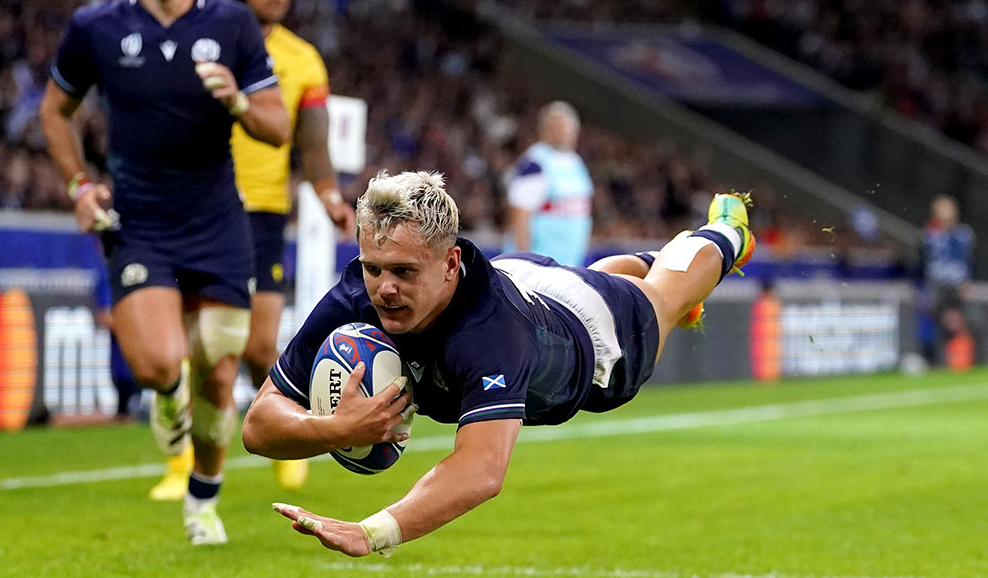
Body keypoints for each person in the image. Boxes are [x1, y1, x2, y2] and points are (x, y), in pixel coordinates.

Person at [242, 170, 754, 557]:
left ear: (450, 264)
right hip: (523, 278)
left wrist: (372, 532)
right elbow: (258, 425)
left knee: (663, 296)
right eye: (373, 268)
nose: (385, 288)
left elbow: (482, 470)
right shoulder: (357, 296)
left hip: (592, 338)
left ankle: (727, 233)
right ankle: (641, 266)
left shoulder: (488, 334)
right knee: (605, 276)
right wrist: (332, 428)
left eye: (402, 271)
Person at [39, 0, 290, 545]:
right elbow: (54, 110)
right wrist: (78, 184)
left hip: (218, 223)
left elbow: (276, 125)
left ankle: (203, 502)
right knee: (158, 364)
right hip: (139, 221)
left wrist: (236, 99)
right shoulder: (96, 26)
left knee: (219, 379)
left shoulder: (232, 24)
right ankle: (164, 393)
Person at [147, 0, 356, 500]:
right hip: (199, 209)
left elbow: (312, 146)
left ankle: (291, 438)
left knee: (262, 346)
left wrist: (331, 195)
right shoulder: (202, 40)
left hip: (264, 214)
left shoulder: (304, 59)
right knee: (198, 345)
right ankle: (180, 465)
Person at [504, 101, 593, 266]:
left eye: (566, 127)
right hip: (539, 265)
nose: (562, 132)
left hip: (568, 262)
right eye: (556, 127)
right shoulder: (536, 163)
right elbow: (519, 214)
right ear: (543, 130)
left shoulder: (576, 162)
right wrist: (523, 262)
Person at [918, 195, 976, 368]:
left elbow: (971, 260)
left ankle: (970, 360)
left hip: (959, 286)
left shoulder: (964, 234)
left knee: (968, 323)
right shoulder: (928, 235)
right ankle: (938, 362)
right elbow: (921, 263)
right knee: (937, 326)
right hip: (937, 286)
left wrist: (969, 281)